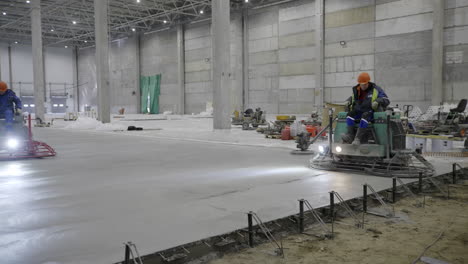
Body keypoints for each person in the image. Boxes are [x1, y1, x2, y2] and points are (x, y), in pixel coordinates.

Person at [342, 73, 390, 145]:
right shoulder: (357, 90)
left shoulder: (376, 89)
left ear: (368, 82)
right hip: (359, 111)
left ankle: (358, 138)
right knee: (350, 115)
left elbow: (386, 100)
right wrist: (348, 100)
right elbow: (353, 98)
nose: (363, 86)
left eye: (365, 84)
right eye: (361, 84)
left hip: (371, 112)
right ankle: (350, 136)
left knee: (365, 115)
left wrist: (377, 101)